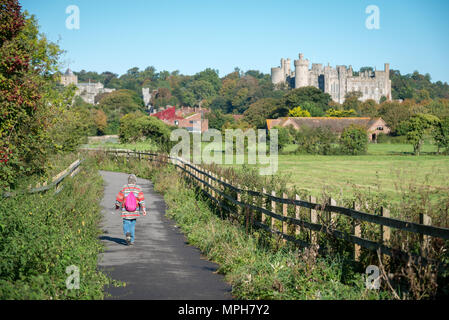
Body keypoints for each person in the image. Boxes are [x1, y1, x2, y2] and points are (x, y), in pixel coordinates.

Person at [115, 174, 147, 245]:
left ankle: (127, 233)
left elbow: (119, 198)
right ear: (135, 181)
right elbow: (141, 200)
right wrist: (144, 209)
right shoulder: (138, 188)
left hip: (126, 211)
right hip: (135, 211)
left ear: (128, 181)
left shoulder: (124, 187)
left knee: (126, 223)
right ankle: (131, 240)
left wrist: (117, 205)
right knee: (132, 225)